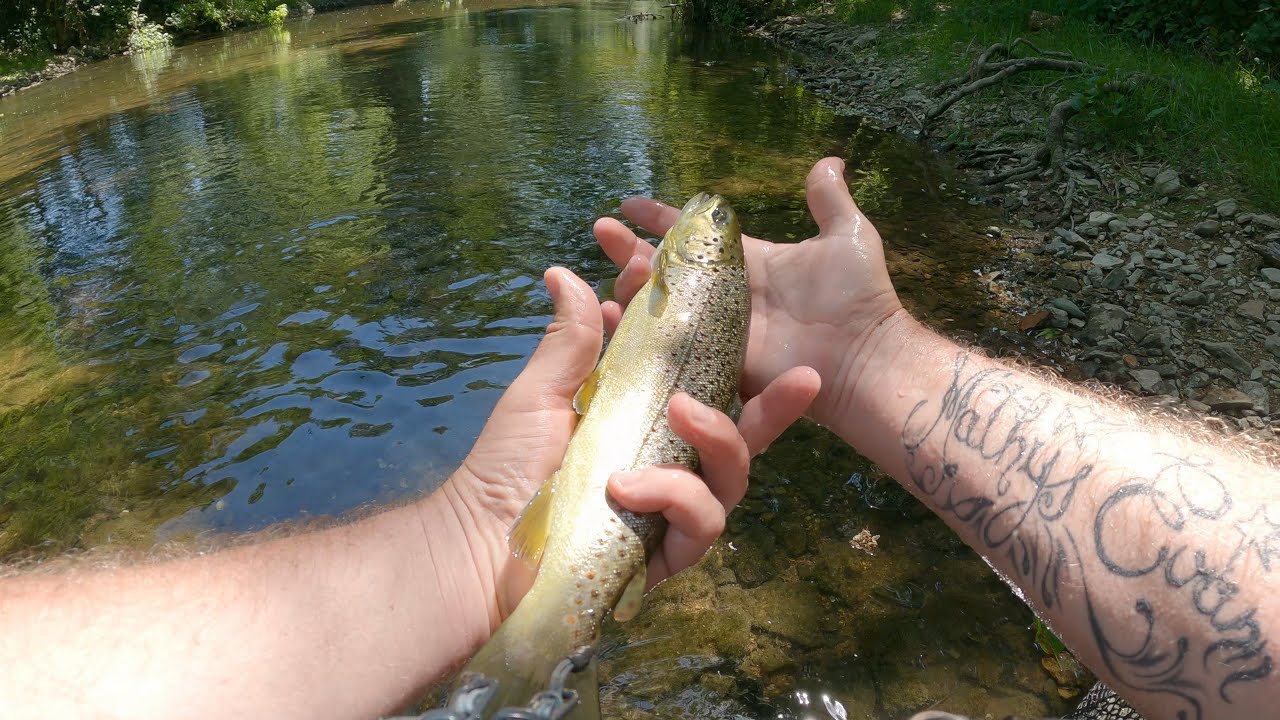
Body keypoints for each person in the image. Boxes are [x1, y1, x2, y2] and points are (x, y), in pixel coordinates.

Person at [2, 156, 1276, 720]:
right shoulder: (685, 297)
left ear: (681, 278)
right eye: (709, 236)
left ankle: (517, 661)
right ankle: (522, 658)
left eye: (700, 240)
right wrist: (472, 545)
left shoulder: (680, 290)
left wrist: (866, 358)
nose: (705, 230)